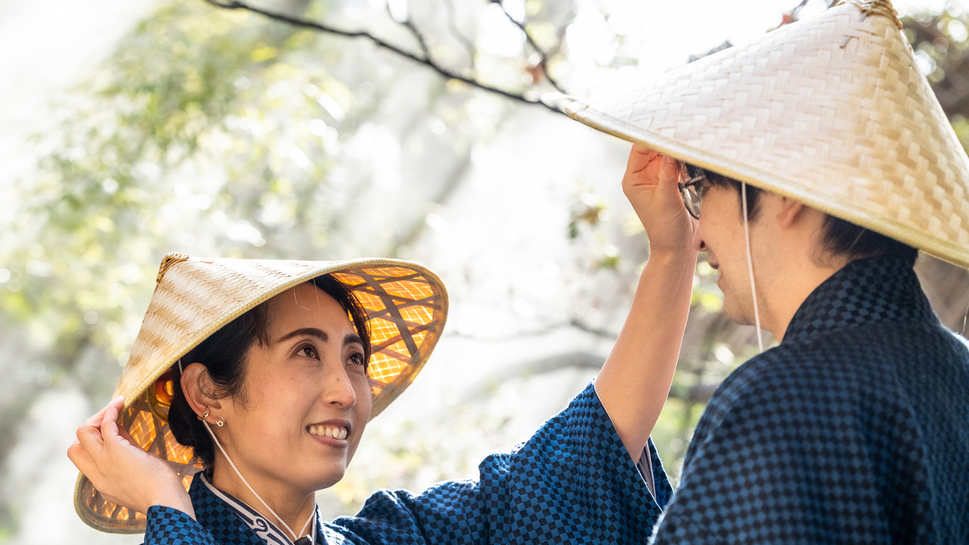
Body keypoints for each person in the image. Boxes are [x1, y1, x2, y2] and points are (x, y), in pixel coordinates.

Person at [68, 150, 699, 545]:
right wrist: (164, 505)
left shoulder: (403, 535)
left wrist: (672, 253)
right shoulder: (175, 522)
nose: (347, 391)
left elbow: (579, 463)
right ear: (208, 392)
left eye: (355, 358)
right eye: (306, 352)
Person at [564, 0, 969, 542]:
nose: (698, 232)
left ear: (783, 191)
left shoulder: (780, 402)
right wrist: (669, 255)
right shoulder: (958, 372)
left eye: (700, 190)